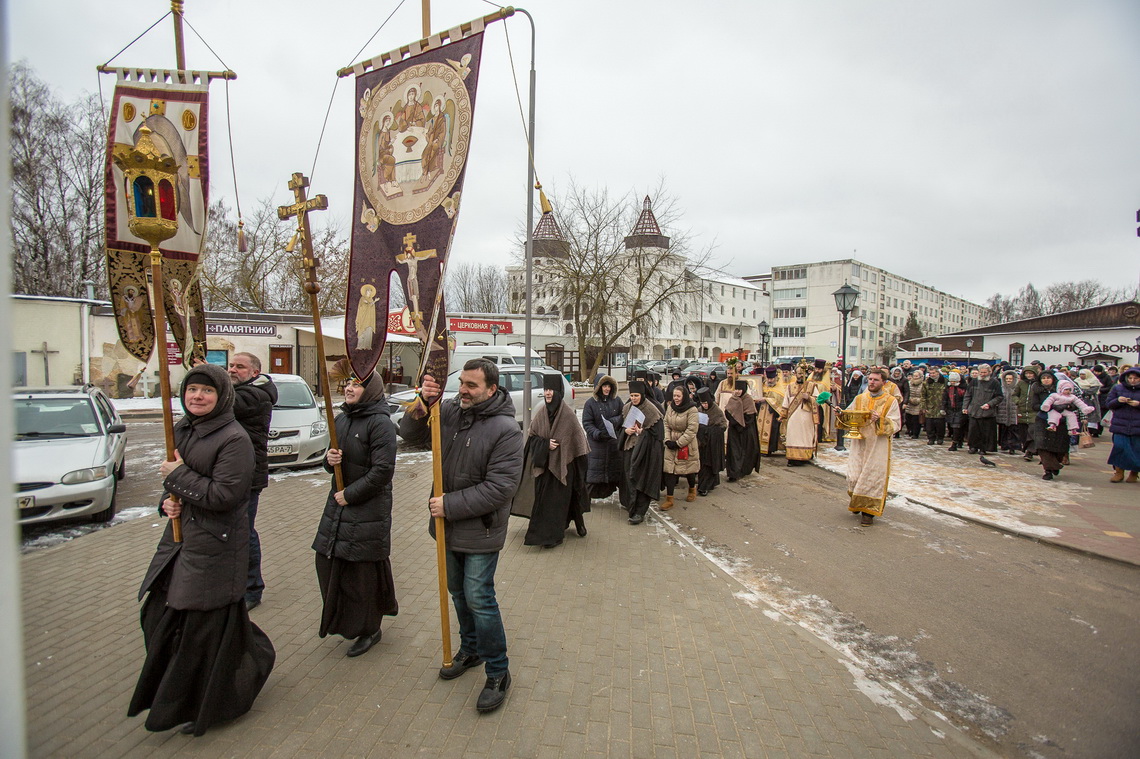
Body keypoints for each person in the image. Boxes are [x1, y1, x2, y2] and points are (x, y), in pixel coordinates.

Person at [129, 363, 274, 736]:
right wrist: (168, 500)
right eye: (192, 390)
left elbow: (226, 495)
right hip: (180, 542)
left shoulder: (234, 439)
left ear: (222, 396)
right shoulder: (182, 429)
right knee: (159, 616)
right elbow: (176, 478)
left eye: (207, 391)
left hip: (215, 545)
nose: (198, 396)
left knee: (199, 631)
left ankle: (209, 699)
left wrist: (177, 479)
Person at [398, 359, 522, 713]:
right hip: (447, 527)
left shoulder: (506, 430)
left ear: (491, 389)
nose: (463, 390)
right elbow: (411, 434)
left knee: (479, 597)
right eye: (462, 383)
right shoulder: (449, 411)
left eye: (472, 385)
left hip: (480, 529)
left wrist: (449, 505)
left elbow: (501, 488)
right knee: (457, 592)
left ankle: (498, 670)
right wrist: (423, 401)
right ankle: (472, 649)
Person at [312, 369, 398, 658]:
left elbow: (383, 470)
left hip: (366, 508)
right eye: (348, 383)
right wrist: (329, 459)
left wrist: (350, 495)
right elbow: (332, 461)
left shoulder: (380, 424)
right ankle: (346, 621)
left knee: (361, 573)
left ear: (370, 391)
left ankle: (369, 629)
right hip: (338, 506)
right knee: (329, 563)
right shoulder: (342, 418)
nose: (349, 388)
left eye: (356, 385)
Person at [228, 353, 277, 611]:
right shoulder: (241, 391)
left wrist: (209, 379)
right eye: (231, 366)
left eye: (240, 367)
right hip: (227, 474)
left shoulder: (256, 396)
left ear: (255, 373)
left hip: (247, 475)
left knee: (244, 532)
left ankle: (252, 588)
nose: (233, 370)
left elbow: (225, 404)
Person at [516, 374, 590, 547]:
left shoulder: (568, 415)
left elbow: (578, 441)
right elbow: (532, 436)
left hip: (566, 465)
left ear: (559, 392)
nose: (548, 393)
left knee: (563, 501)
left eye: (551, 390)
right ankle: (545, 536)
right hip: (545, 466)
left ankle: (558, 533)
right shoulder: (541, 413)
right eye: (546, 390)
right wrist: (545, 444)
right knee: (545, 502)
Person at [844, 368, 902, 526]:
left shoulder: (891, 401)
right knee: (854, 475)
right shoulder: (860, 398)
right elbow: (849, 413)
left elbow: (896, 424)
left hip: (878, 445)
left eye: (875, 380)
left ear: (883, 382)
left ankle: (868, 513)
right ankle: (857, 501)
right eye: (870, 379)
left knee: (872, 477)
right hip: (860, 442)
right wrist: (841, 414)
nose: (872, 382)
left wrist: (880, 419)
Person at [618, 379, 664, 525]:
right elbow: (620, 428)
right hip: (629, 449)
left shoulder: (651, 410)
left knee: (641, 480)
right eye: (632, 396)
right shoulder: (627, 408)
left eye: (636, 396)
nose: (633, 399)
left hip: (646, 452)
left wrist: (642, 432)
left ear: (642, 395)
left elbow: (659, 434)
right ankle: (632, 506)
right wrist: (626, 431)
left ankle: (640, 512)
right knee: (629, 477)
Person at [581, 374, 624, 500]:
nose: (607, 389)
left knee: (614, 471)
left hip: (612, 443)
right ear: (598, 387)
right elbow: (587, 423)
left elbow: (623, 415)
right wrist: (598, 434)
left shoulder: (617, 401)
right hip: (596, 444)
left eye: (609, 386)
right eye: (604, 386)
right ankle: (585, 500)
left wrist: (613, 422)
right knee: (593, 472)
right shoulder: (590, 403)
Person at [661, 384, 701, 509]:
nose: (676, 398)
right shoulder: (670, 407)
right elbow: (666, 423)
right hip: (671, 442)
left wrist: (678, 443)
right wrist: (667, 440)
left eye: (678, 396)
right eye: (674, 396)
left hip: (686, 445)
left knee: (688, 469)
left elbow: (692, 430)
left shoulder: (692, 410)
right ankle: (670, 498)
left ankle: (692, 489)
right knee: (670, 470)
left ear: (684, 397)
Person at [1029, 370, 1070, 480]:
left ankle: (1055, 464)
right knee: (1043, 446)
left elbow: (1073, 402)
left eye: (1048, 377)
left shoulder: (1062, 390)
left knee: (1059, 446)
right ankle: (1048, 469)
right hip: (1043, 420)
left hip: (1060, 421)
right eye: (1043, 378)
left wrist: (1065, 407)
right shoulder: (1037, 391)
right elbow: (1034, 406)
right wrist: (1049, 407)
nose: (1046, 380)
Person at [1105, 366, 1140, 482]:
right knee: (1119, 447)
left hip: (1137, 426)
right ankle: (1119, 472)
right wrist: (1118, 400)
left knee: (1136, 450)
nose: (1133, 380)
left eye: (1136, 378)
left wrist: (1138, 404)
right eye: (1130, 378)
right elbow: (1109, 404)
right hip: (1120, 424)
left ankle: (1134, 473)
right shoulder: (1117, 388)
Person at [782, 365, 819, 466]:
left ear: (806, 374)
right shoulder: (790, 387)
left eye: (802, 373)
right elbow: (786, 401)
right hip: (793, 417)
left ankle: (805, 456)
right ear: (795, 374)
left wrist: (809, 398)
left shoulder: (811, 386)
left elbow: (818, 400)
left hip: (806, 417)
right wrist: (783, 414)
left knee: (805, 437)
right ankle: (793, 458)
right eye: (799, 373)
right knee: (793, 437)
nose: (800, 376)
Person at [724, 380, 760, 480]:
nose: (738, 391)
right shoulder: (733, 399)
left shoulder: (748, 399)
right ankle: (733, 473)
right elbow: (728, 412)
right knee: (734, 452)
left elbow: (750, 416)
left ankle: (743, 470)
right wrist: (735, 423)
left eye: (740, 389)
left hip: (745, 431)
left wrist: (742, 425)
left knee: (745, 452)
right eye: (736, 389)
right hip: (734, 430)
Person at [963, 363, 1003, 454]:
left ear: (989, 372)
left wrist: (989, 404)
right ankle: (973, 447)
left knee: (986, 432)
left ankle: (984, 448)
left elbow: (999, 397)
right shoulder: (974, 382)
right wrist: (965, 407)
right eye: (981, 372)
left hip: (988, 412)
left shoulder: (995, 383)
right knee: (973, 431)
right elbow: (968, 395)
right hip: (974, 410)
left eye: (985, 372)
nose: (982, 374)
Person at [694, 387, 727, 496]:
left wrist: (712, 430)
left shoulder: (717, 411)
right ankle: (708, 484)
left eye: (706, 403)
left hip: (713, 444)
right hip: (702, 442)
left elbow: (723, 425)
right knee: (703, 465)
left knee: (710, 464)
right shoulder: (699, 410)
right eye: (702, 403)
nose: (704, 405)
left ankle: (704, 487)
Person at [756, 366, 785, 456]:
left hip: (772, 413)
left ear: (776, 377)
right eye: (768, 378)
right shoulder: (763, 385)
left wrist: (766, 399)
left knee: (772, 431)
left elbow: (779, 400)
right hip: (761, 411)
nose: (769, 381)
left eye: (772, 379)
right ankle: (760, 448)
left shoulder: (780, 387)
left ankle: (769, 449)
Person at [1013, 367, 1039, 460]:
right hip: (1022, 410)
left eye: (1031, 373)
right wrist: (1018, 401)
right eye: (1027, 373)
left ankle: (1030, 451)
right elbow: (1015, 394)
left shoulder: (1037, 384)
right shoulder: (1021, 383)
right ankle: (1026, 447)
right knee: (1023, 432)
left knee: (1032, 431)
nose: (1029, 375)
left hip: (1034, 411)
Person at [919, 366, 946, 445]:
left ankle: (940, 438)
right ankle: (931, 438)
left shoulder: (944, 381)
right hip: (930, 407)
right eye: (930, 373)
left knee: (940, 424)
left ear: (938, 373)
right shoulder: (926, 383)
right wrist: (923, 407)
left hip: (941, 406)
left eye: (934, 373)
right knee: (930, 425)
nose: (932, 375)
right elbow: (923, 396)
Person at [996, 370, 1021, 454]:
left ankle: (1013, 447)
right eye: (1007, 379)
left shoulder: (1017, 388)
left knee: (1013, 430)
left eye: (1010, 379)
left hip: (1014, 412)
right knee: (1004, 430)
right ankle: (1004, 445)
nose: (1008, 380)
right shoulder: (1001, 388)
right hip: (1002, 412)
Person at [904, 370, 924, 439]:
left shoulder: (923, 384)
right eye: (914, 376)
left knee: (916, 420)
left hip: (919, 404)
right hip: (910, 403)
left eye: (917, 376)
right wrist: (908, 399)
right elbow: (906, 392)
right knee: (908, 419)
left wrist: (918, 400)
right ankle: (910, 430)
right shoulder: (909, 383)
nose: (915, 377)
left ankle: (915, 434)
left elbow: (924, 395)